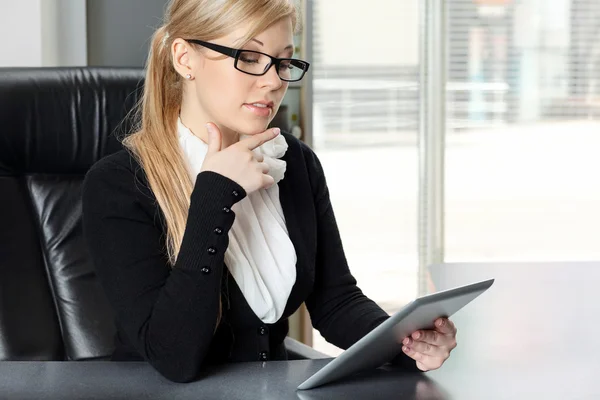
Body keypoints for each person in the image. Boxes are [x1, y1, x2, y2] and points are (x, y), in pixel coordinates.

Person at [82, 0, 457, 383]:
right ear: (184, 58)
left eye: (282, 62)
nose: (275, 81)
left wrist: (407, 341)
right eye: (248, 56)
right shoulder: (119, 185)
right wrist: (215, 195)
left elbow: (336, 302)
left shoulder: (292, 162)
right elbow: (174, 357)